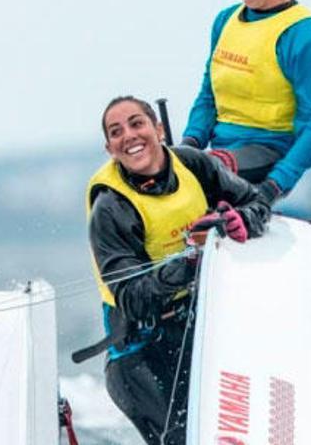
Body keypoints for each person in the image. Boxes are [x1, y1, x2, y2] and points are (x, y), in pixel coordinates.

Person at [86, 96, 271, 444]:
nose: (129, 135)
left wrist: (239, 220)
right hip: (140, 354)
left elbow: (257, 201)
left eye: (136, 123)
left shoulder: (195, 166)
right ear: (110, 148)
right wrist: (190, 259)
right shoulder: (110, 208)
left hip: (197, 331)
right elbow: (134, 299)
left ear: (158, 129)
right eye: (116, 132)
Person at [181, 0, 311, 203]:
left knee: (204, 171)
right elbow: (208, 98)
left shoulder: (305, 36)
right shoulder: (225, 21)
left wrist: (274, 186)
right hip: (218, 155)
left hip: (267, 154)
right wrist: (189, 145)